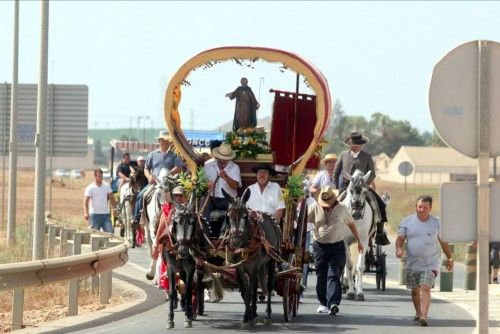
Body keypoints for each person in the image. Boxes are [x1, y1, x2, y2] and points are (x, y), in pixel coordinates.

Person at [395, 195, 453, 327]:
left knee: (426, 288)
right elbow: (400, 239)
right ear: (416, 206)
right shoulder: (407, 221)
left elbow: (443, 242)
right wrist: (399, 249)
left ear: (430, 208)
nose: (421, 209)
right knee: (415, 291)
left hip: (430, 263)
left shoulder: (436, 222)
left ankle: (424, 317)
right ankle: (418, 313)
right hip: (412, 263)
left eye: (425, 207)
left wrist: (450, 257)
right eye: (419, 207)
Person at [307, 186, 363, 316]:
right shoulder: (314, 207)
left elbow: (351, 224)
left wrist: (359, 241)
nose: (326, 206)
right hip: (319, 246)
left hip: (337, 246)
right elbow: (303, 221)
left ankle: (333, 303)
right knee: (321, 275)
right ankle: (323, 303)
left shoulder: (342, 208)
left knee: (334, 274)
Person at [333, 131, 388, 244]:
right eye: (352, 144)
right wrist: (337, 187)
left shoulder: (367, 156)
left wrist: (365, 183)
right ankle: (332, 230)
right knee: (332, 205)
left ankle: (379, 233)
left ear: (361, 145)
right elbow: (336, 172)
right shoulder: (343, 154)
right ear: (349, 145)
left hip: (363, 186)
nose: (354, 147)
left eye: (357, 145)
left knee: (380, 204)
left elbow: (372, 173)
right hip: (346, 186)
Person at [133, 130, 184, 225]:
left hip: (170, 183)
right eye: (162, 140)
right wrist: (149, 177)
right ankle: (137, 218)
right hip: (155, 183)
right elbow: (146, 168)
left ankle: (182, 218)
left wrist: (169, 173)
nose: (164, 142)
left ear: (170, 142)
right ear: (159, 141)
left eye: (166, 140)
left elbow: (179, 167)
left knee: (181, 197)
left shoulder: (175, 154)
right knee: (141, 195)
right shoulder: (152, 154)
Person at [203, 142, 241, 237]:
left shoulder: (235, 167)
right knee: (203, 206)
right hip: (212, 199)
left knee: (233, 209)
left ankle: (224, 236)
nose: (222, 162)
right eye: (220, 159)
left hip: (228, 200)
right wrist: (206, 185)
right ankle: (205, 234)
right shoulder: (208, 165)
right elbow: (201, 184)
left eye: (225, 160)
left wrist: (226, 177)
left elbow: (236, 186)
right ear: (216, 157)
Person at [83, 168, 118, 233]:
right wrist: (85, 212)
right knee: (93, 234)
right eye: (99, 176)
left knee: (110, 233)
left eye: (101, 176)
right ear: (95, 176)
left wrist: (115, 209)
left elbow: (112, 198)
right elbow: (85, 201)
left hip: (106, 215)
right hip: (94, 215)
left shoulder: (106, 186)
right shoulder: (90, 187)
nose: (101, 178)